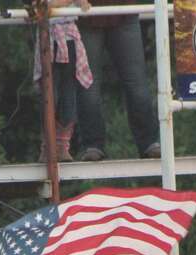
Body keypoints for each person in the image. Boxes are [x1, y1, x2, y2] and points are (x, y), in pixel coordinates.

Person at [74, 0, 161, 161]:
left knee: (137, 84)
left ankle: (149, 143)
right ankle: (92, 145)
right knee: (88, 85)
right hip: (88, 14)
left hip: (124, 11)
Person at [33, 0, 93, 162]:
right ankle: (47, 146)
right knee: (49, 94)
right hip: (48, 36)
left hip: (69, 38)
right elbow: (38, 8)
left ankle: (62, 146)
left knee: (68, 94)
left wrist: (54, 6)